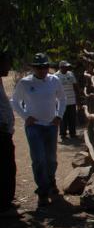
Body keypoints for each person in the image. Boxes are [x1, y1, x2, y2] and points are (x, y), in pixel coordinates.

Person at [11, 53, 66, 207]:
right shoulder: (25, 83)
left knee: (51, 158)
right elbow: (15, 101)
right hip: (34, 127)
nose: (42, 70)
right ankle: (42, 190)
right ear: (33, 68)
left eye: (45, 66)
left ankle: (51, 181)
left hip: (51, 126)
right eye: (39, 67)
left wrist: (59, 116)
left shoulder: (54, 80)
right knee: (38, 158)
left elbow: (62, 99)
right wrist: (25, 116)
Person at [0, 51, 19, 216]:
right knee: (5, 168)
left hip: (5, 132)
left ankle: (6, 202)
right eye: (6, 62)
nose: (9, 66)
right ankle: (4, 206)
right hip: (1, 132)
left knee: (8, 167)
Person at [54, 61, 80, 140]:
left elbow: (75, 86)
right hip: (61, 101)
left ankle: (73, 133)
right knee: (63, 118)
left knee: (72, 117)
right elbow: (54, 89)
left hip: (72, 100)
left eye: (67, 67)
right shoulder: (56, 76)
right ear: (61, 67)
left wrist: (78, 98)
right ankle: (63, 134)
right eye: (65, 67)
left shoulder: (70, 74)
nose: (66, 68)